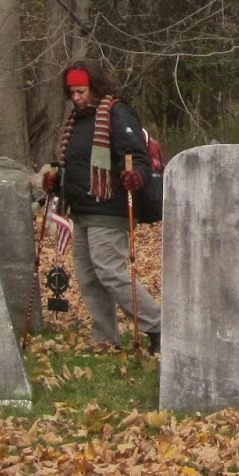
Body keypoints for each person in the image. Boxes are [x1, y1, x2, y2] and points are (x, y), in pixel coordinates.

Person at [41, 60, 162, 353]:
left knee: (109, 271)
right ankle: (105, 339)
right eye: (72, 92)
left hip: (110, 208)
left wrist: (136, 175)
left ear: (95, 87)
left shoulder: (117, 113)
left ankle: (158, 326)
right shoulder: (78, 120)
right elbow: (77, 163)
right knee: (88, 276)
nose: (76, 98)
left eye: (81, 91)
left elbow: (137, 156)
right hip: (81, 208)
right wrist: (57, 182)